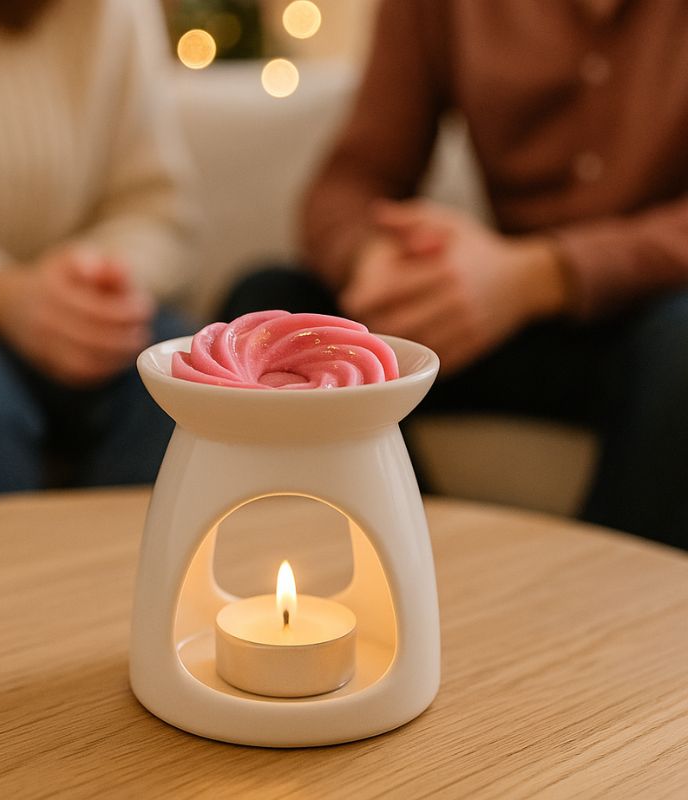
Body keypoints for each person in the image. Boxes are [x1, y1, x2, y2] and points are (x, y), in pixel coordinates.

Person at [223, 0, 688, 549]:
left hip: (652, 320)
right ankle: (417, 560)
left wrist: (538, 275)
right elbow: (352, 180)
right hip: (500, 327)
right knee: (268, 311)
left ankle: (610, 612)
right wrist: (374, 256)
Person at [0, 0, 197, 507]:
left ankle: (129, 584)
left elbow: (155, 207)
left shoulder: (113, 14)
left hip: (63, 306)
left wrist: (94, 285)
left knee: (179, 379)